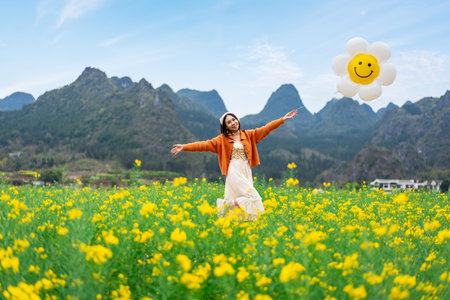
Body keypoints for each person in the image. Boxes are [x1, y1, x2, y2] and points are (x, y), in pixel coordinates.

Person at [170, 109, 298, 220]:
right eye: (229, 122)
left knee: (242, 198)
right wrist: (184, 147)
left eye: (234, 119)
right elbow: (203, 144)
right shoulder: (221, 140)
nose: (233, 123)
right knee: (254, 197)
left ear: (238, 119)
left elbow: (266, 128)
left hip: (246, 170)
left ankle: (234, 215)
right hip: (234, 171)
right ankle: (226, 204)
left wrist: (282, 119)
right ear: (225, 127)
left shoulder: (249, 135)